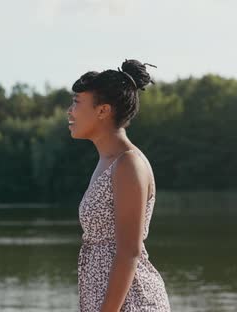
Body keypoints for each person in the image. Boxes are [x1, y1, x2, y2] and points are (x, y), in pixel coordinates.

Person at [68, 60, 170, 311]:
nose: (69, 112)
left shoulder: (128, 164)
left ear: (103, 110)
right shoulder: (107, 162)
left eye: (77, 103)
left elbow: (129, 252)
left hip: (134, 303)